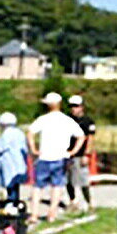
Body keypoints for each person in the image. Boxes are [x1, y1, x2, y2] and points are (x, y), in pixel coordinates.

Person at [27, 91, 85, 224]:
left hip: (44, 156)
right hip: (61, 156)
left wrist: (33, 149)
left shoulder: (43, 119)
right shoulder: (67, 120)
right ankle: (51, 214)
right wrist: (73, 151)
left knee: (37, 187)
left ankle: (34, 215)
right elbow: (81, 136)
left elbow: (30, 133)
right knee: (57, 186)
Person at [0, 112, 29, 203]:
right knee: (15, 185)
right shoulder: (20, 133)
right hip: (19, 164)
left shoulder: (7, 134)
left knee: (10, 185)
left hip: (9, 164)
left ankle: (11, 203)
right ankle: (15, 202)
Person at [66, 94, 96, 211]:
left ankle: (89, 202)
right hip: (69, 153)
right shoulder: (67, 120)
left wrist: (86, 154)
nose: (74, 108)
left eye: (76, 106)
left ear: (82, 107)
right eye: (72, 106)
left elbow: (91, 138)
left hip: (81, 154)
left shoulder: (87, 121)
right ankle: (73, 201)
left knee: (83, 180)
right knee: (68, 180)